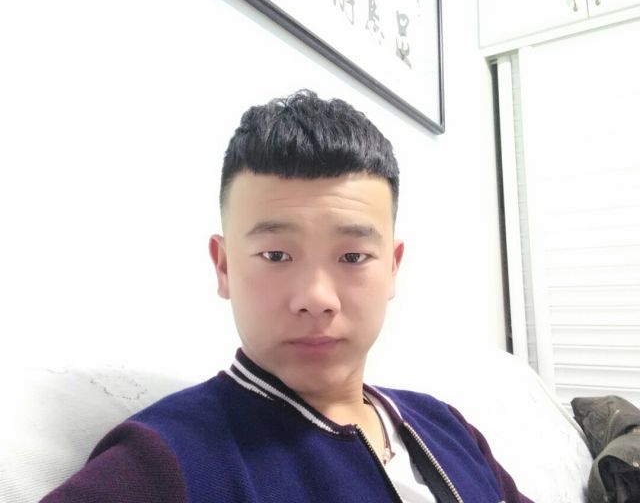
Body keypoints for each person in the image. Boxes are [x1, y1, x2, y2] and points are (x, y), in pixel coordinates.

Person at [42, 90, 532, 502]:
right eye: (276, 255)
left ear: (392, 268)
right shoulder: (167, 459)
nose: (316, 298)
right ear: (224, 265)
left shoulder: (446, 427)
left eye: (353, 256)